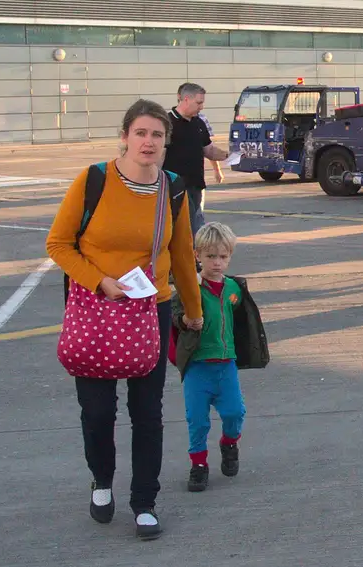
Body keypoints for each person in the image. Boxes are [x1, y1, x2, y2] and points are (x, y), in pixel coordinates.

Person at [46, 99, 203, 540]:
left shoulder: (173, 189)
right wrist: (100, 282)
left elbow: (183, 257)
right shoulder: (93, 180)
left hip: (150, 310)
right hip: (97, 308)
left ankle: (144, 501)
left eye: (157, 134)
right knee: (97, 413)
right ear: (125, 136)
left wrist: (193, 312)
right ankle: (101, 479)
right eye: (141, 133)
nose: (148, 142)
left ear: (166, 142)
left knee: (147, 413)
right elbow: (58, 245)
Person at [172, 221, 248, 493]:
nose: (217, 263)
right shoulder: (190, 287)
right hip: (198, 366)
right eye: (211, 256)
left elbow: (241, 319)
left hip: (226, 364)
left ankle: (229, 443)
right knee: (198, 420)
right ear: (198, 256)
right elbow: (174, 314)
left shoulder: (233, 290)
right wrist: (185, 321)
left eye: (223, 257)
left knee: (235, 412)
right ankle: (199, 465)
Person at [164, 83, 229, 231]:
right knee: (189, 228)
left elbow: (208, 150)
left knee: (195, 225)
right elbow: (159, 156)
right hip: (175, 187)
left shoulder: (198, 123)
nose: (201, 107)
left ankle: (193, 253)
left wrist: (229, 156)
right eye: (199, 103)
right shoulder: (167, 123)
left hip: (196, 186)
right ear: (186, 99)